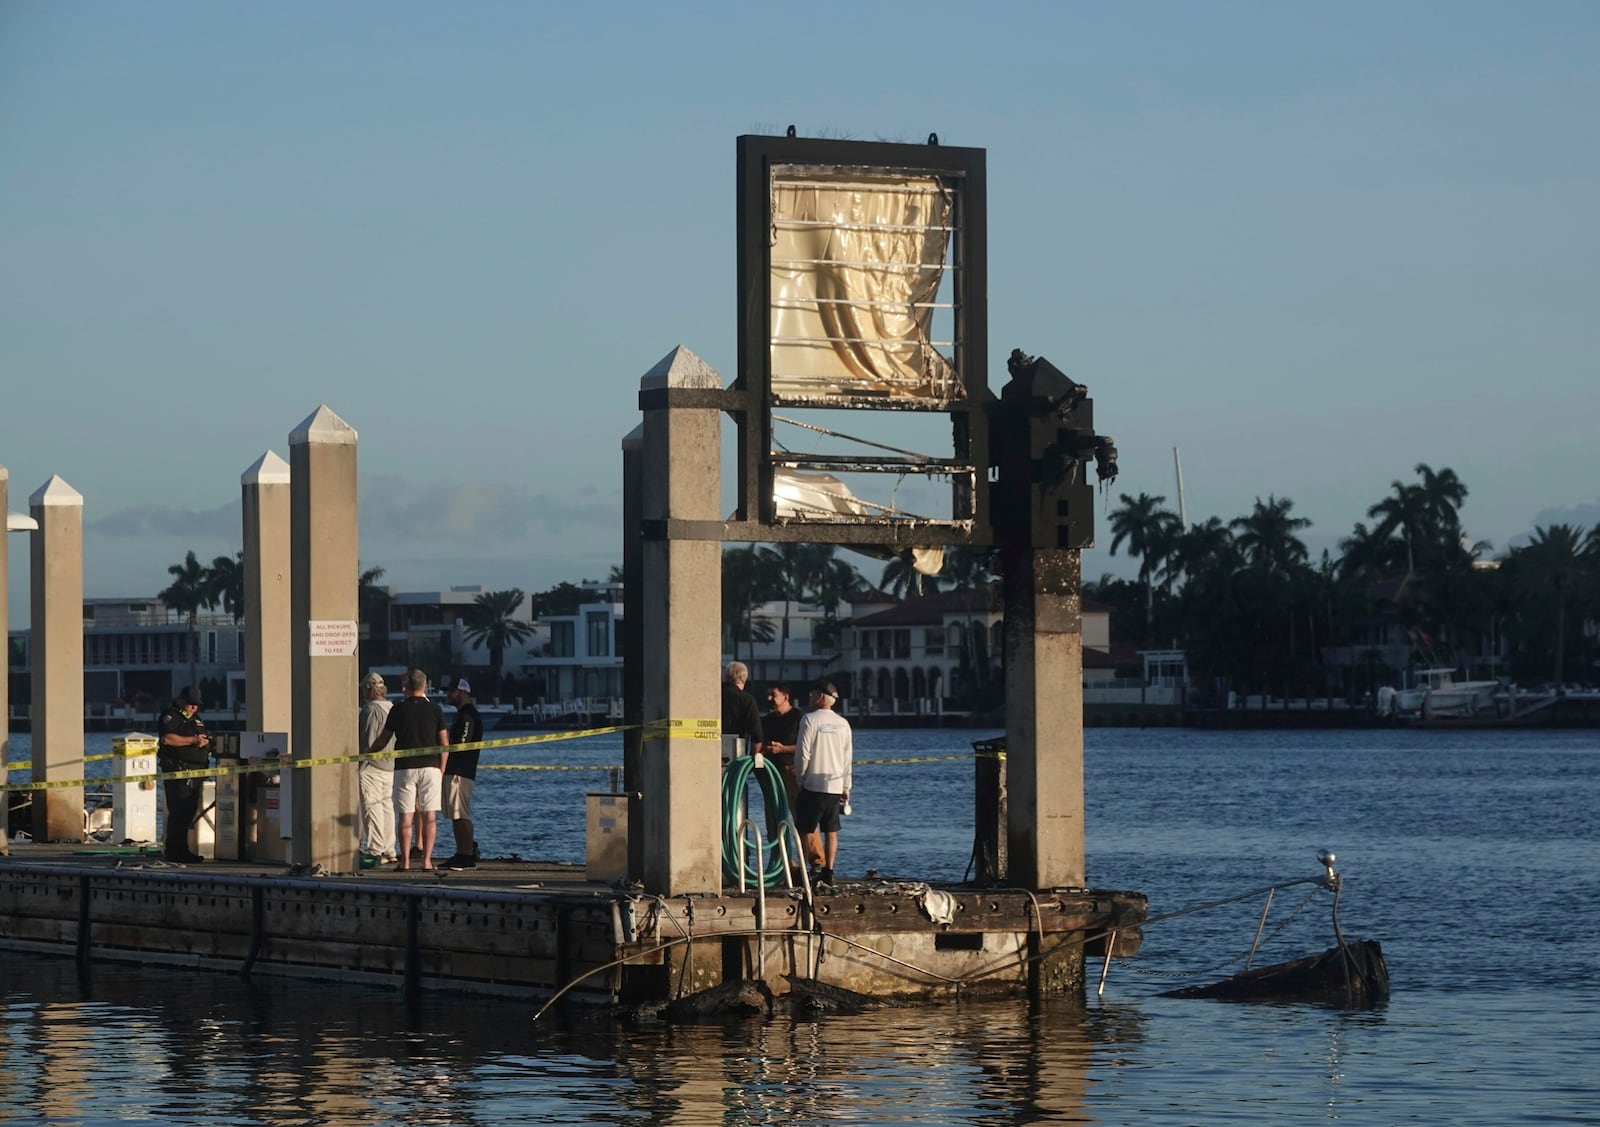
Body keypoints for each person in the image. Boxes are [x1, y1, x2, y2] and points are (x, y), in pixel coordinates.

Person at [370, 668, 448, 871]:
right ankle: (427, 861)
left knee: (405, 816)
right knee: (429, 816)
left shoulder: (398, 709)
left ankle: (404, 862)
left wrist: (368, 753)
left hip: (405, 768)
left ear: (406, 687)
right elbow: (444, 743)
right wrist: (442, 767)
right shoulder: (436, 709)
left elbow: (383, 739)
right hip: (430, 767)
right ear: (426, 686)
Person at [793, 680, 853, 887]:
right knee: (831, 831)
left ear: (820, 697)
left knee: (804, 828)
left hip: (813, 785)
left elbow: (803, 754)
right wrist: (846, 787)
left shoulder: (809, 720)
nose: (809, 698)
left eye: (812, 694)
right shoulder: (843, 724)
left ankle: (805, 868)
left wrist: (800, 778)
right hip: (834, 786)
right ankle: (829, 871)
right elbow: (847, 759)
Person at [764, 681, 822, 868]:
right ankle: (785, 863)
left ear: (785, 697)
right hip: (773, 775)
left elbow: (808, 746)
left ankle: (816, 860)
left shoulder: (799, 717)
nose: (769, 699)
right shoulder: (768, 720)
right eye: (769, 695)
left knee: (804, 818)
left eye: (774, 695)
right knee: (775, 820)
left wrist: (783, 749)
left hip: (793, 773)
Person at [156, 685, 211, 863]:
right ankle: (174, 851)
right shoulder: (171, 716)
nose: (194, 708)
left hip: (195, 773)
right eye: (190, 704)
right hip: (179, 772)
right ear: (181, 701)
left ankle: (182, 849)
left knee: (188, 811)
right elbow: (168, 739)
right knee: (179, 811)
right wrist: (193, 740)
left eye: (196, 705)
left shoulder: (196, 720)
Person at [442, 677, 482, 870]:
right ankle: (461, 852)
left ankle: (467, 855)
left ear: (464, 693)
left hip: (461, 771)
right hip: (456, 770)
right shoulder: (461, 714)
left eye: (453, 691)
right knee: (455, 815)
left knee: (460, 813)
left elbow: (461, 745)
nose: (449, 694)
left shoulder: (467, 716)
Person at [357, 671, 397, 866]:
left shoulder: (370, 710)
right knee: (387, 807)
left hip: (371, 766)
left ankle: (375, 850)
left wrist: (361, 759)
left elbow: (369, 740)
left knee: (371, 808)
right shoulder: (392, 708)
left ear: (367, 688)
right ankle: (390, 849)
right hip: (390, 765)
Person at [721, 661, 764, 758]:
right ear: (744, 678)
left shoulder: (715, 695)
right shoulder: (747, 699)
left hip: (712, 746)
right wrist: (753, 760)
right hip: (737, 748)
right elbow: (757, 734)